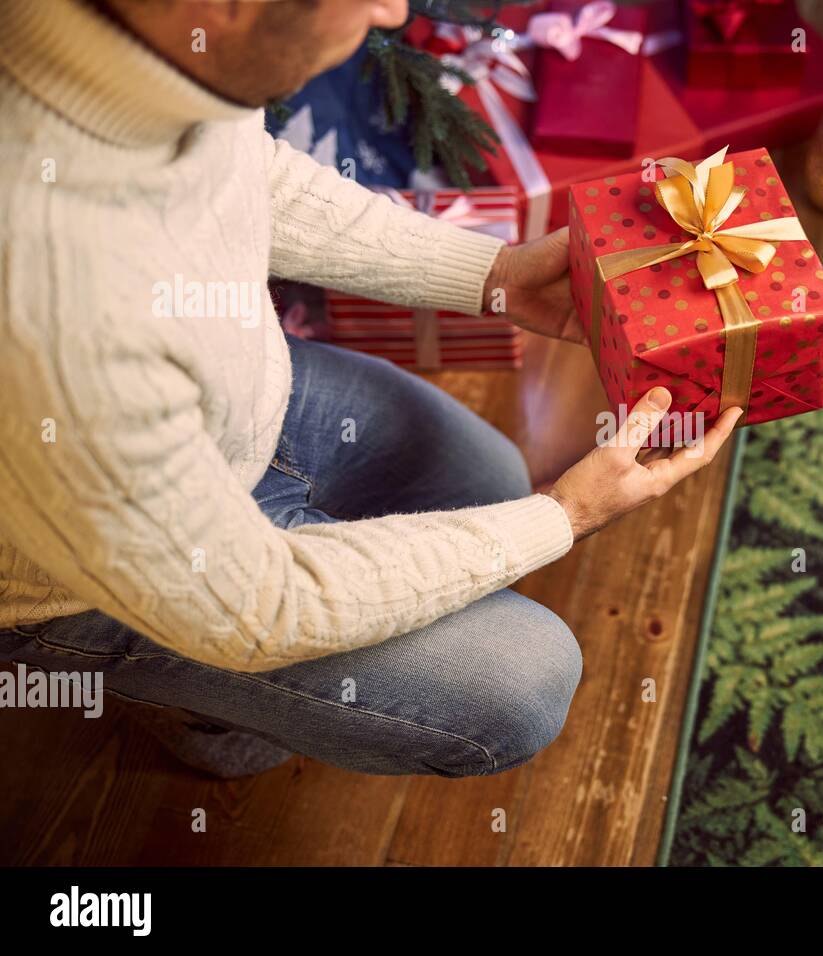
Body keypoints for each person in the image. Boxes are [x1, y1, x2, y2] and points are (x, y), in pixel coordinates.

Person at [0, 0, 741, 777]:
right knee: (522, 679)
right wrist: (568, 514)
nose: (393, 7)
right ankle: (200, 712)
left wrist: (496, 279)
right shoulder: (55, 305)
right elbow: (257, 607)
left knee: (483, 475)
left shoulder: (156, 50)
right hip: (93, 577)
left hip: (216, 406)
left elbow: (249, 176)